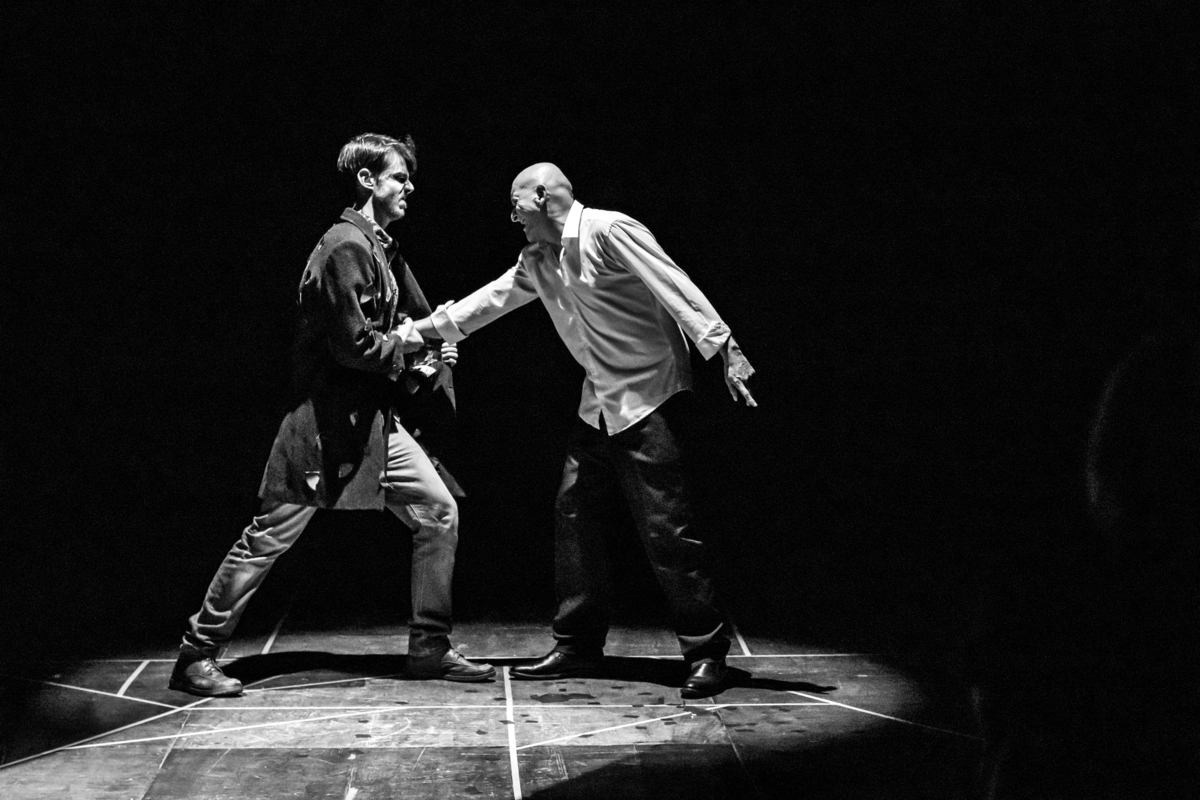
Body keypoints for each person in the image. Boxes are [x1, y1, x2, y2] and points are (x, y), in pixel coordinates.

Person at [413, 163, 756, 698]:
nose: (512, 217)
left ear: (542, 196)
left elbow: (673, 282)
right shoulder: (538, 259)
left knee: (667, 528)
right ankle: (577, 644)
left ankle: (706, 652)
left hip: (650, 396)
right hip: (598, 402)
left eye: (516, 204)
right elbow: (489, 301)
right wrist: (415, 333)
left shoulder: (608, 229)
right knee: (573, 515)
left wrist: (724, 347)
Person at [169, 133, 494, 697]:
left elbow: (404, 330)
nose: (409, 187)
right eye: (399, 177)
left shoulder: (380, 249)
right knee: (269, 536)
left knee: (438, 513)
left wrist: (426, 353)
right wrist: (411, 345)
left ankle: (430, 645)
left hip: (370, 425)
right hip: (322, 426)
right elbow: (354, 346)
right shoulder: (345, 246)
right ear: (367, 180)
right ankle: (197, 653)